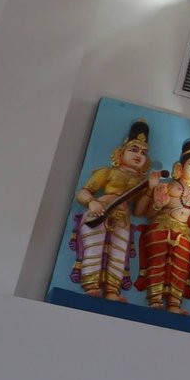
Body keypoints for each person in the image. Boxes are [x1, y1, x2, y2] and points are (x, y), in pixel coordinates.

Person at [72, 119, 155, 301]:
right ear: (120, 153)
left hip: (123, 218)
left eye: (143, 153)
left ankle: (112, 291)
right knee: (94, 248)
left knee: (118, 253)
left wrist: (150, 190)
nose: (138, 155)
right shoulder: (107, 172)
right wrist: (92, 202)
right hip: (100, 212)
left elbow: (139, 212)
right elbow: (83, 192)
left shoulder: (141, 183)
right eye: (134, 150)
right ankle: (91, 285)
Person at [135, 139, 190, 313]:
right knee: (158, 261)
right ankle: (155, 298)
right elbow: (143, 213)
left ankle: (174, 304)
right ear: (180, 168)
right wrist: (157, 204)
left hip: (184, 233)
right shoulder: (168, 186)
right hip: (161, 227)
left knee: (181, 268)